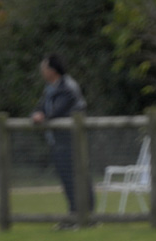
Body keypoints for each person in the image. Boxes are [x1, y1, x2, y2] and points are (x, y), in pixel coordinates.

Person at [31, 53, 94, 230]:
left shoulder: (68, 87)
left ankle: (86, 217)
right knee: (68, 180)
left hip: (71, 141)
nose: (41, 71)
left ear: (52, 70)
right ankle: (75, 215)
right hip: (58, 142)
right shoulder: (49, 88)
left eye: (43, 68)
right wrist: (36, 114)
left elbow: (57, 111)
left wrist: (42, 117)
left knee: (79, 178)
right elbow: (40, 108)